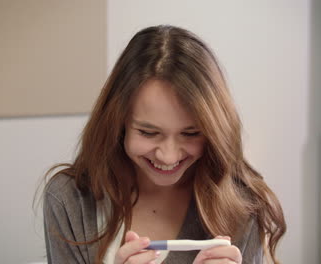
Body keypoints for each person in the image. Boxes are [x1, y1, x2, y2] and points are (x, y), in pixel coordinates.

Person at [41, 25, 286, 264]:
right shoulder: (69, 199)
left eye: (191, 134)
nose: (168, 157)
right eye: (148, 132)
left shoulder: (242, 204)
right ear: (118, 122)